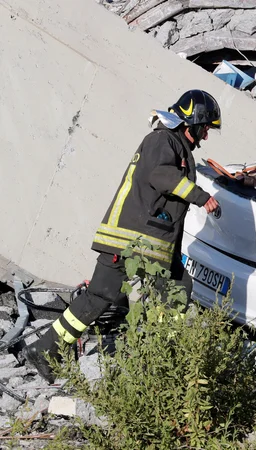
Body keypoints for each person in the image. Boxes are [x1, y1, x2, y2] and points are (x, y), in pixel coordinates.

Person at [22, 89, 223, 383]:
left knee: (104, 296)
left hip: (140, 242)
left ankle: (45, 349)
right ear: (191, 122)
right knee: (163, 290)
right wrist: (201, 196)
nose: (205, 136)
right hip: (131, 241)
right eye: (204, 128)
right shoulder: (162, 141)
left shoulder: (173, 144)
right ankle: (164, 359)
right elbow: (162, 176)